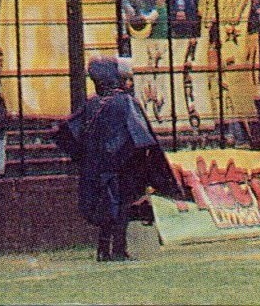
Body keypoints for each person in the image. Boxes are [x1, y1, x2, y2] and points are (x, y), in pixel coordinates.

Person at [54, 55, 184, 261]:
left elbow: (67, 131)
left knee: (106, 209)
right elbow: (142, 136)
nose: (129, 82)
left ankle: (103, 250)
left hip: (98, 167)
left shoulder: (92, 103)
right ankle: (118, 250)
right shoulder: (125, 102)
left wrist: (86, 157)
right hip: (121, 166)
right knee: (121, 207)